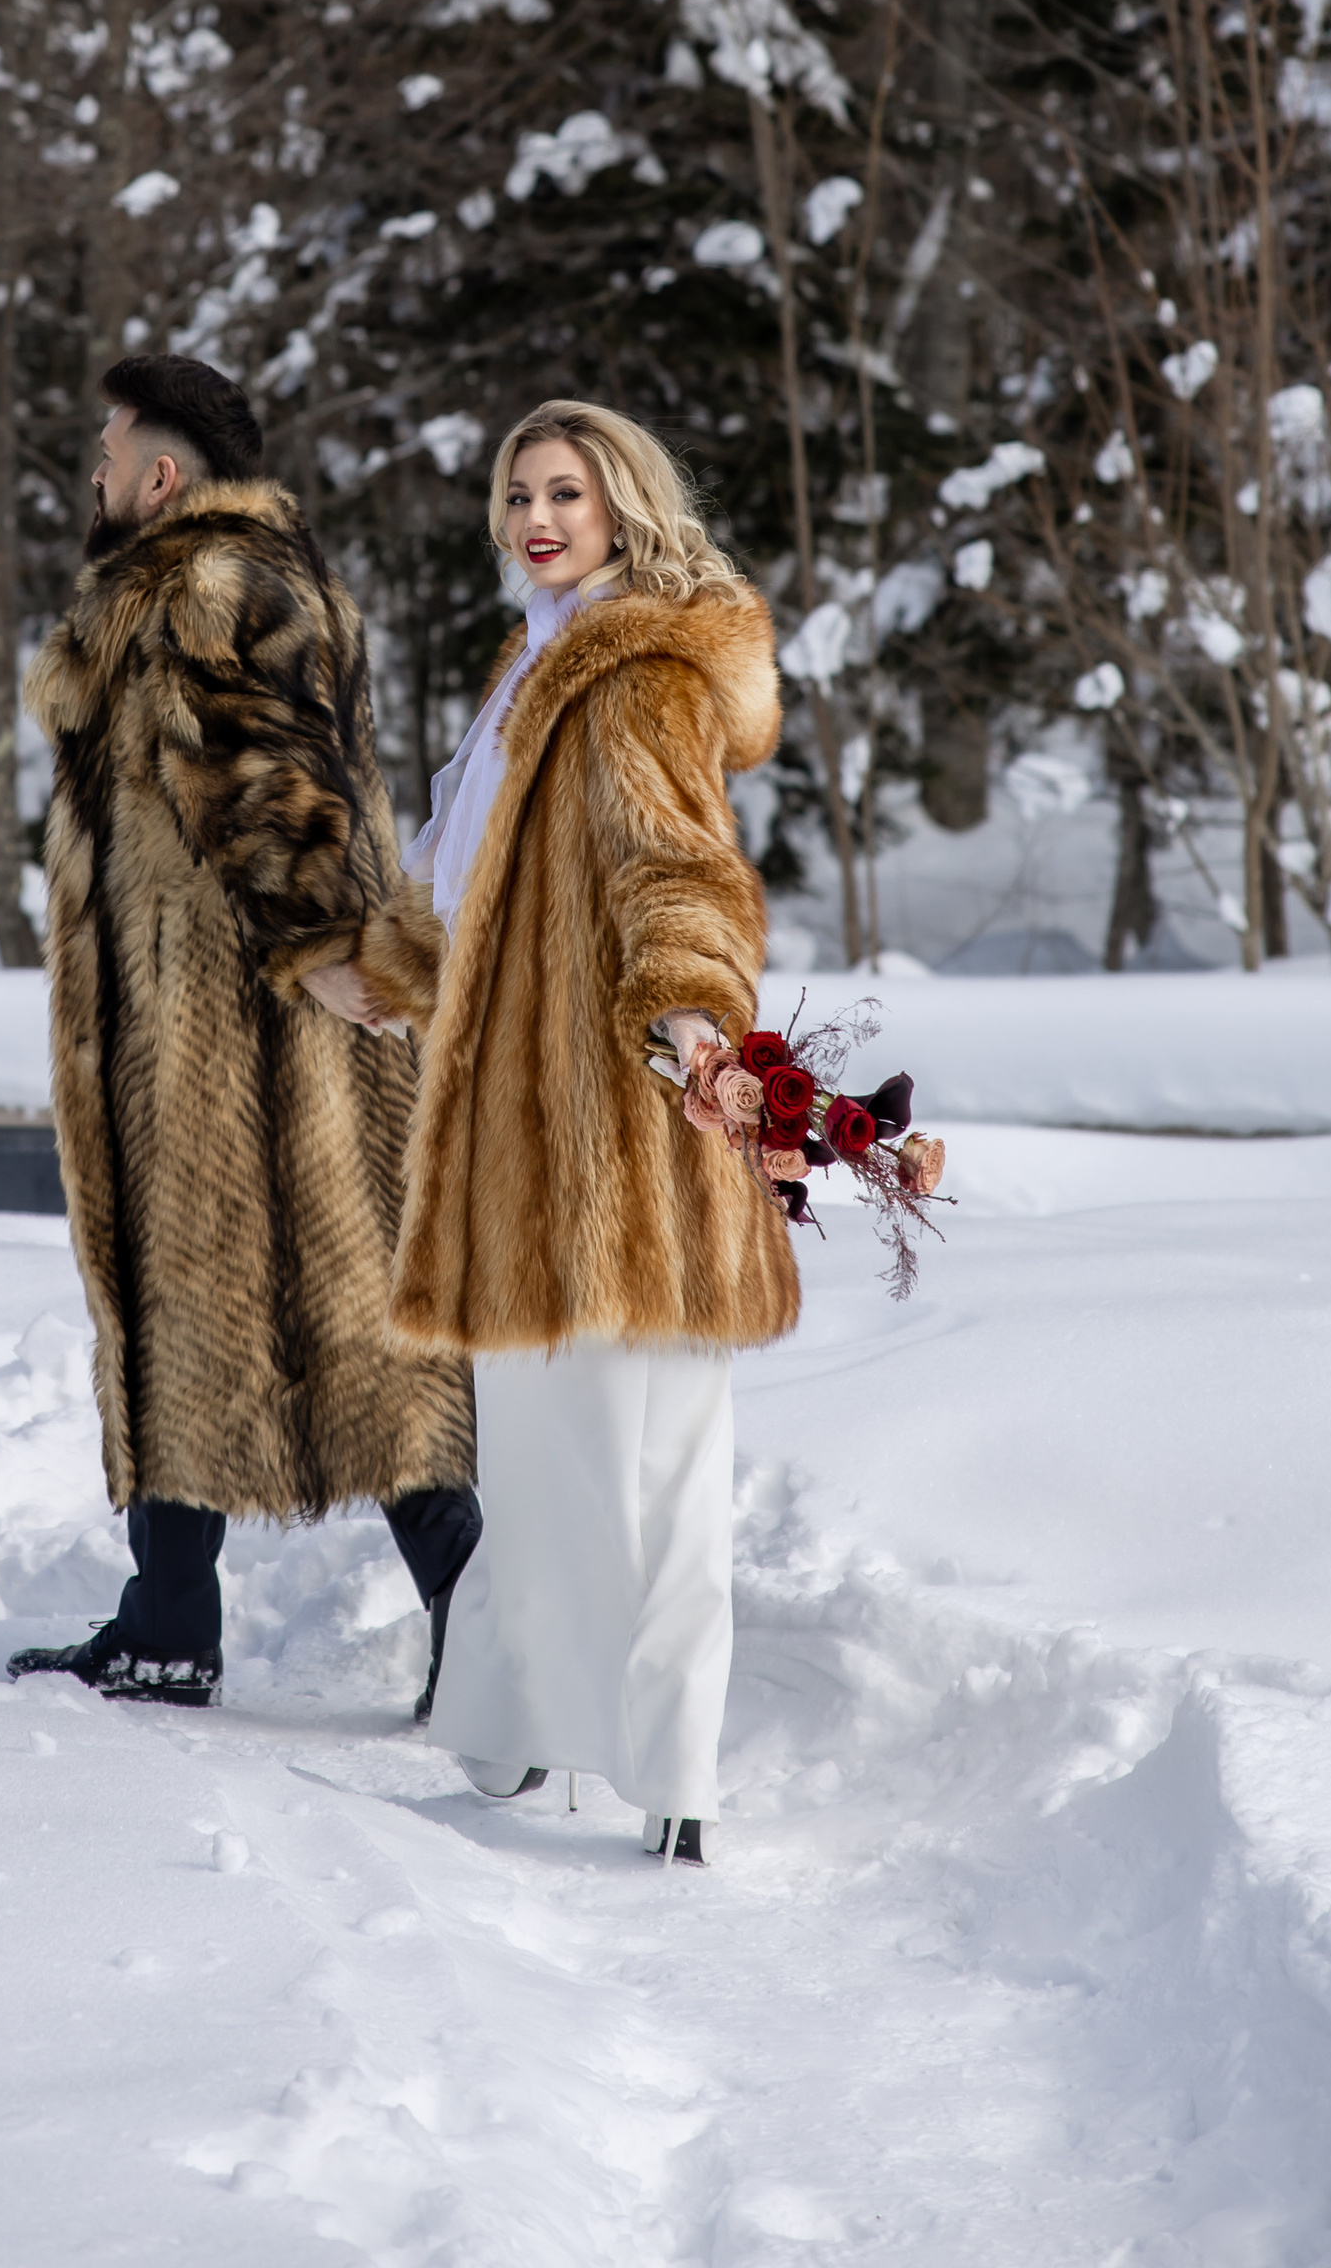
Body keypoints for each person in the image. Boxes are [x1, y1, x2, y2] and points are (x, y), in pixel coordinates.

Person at [7, 352, 480, 1708]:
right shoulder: (231, 580)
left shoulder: (206, 585)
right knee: (198, 1308)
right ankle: (169, 1617)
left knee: (350, 1327)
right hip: (200, 1022)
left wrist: (326, 946)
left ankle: (486, 1618)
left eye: (108, 455)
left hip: (244, 1028)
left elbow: (277, 782)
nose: (93, 477)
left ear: (162, 475)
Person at [376, 400, 794, 1865]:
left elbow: (677, 866)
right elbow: (461, 892)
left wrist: (693, 1017)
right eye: (516, 494)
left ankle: (674, 1770)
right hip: (523, 1142)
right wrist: (358, 968)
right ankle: (518, 1734)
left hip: (629, 1124)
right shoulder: (531, 671)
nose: (536, 517)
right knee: (543, 1465)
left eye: (565, 491)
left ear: (624, 503)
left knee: (661, 1462)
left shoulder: (627, 678)